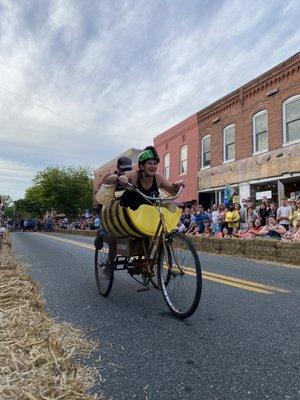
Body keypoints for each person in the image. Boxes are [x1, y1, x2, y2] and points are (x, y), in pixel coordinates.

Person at [94, 156, 133, 267]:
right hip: (109, 212)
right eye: (123, 169)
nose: (126, 171)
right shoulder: (109, 176)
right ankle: (109, 265)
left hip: (125, 212)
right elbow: (98, 193)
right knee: (112, 241)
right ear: (117, 167)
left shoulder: (132, 176)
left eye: (128, 169)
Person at [120, 146, 184, 210]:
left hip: (147, 215)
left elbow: (172, 191)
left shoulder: (158, 178)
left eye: (155, 163)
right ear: (142, 166)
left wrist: (176, 186)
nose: (153, 166)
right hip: (125, 213)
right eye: (149, 163)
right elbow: (112, 178)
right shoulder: (134, 175)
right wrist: (121, 178)